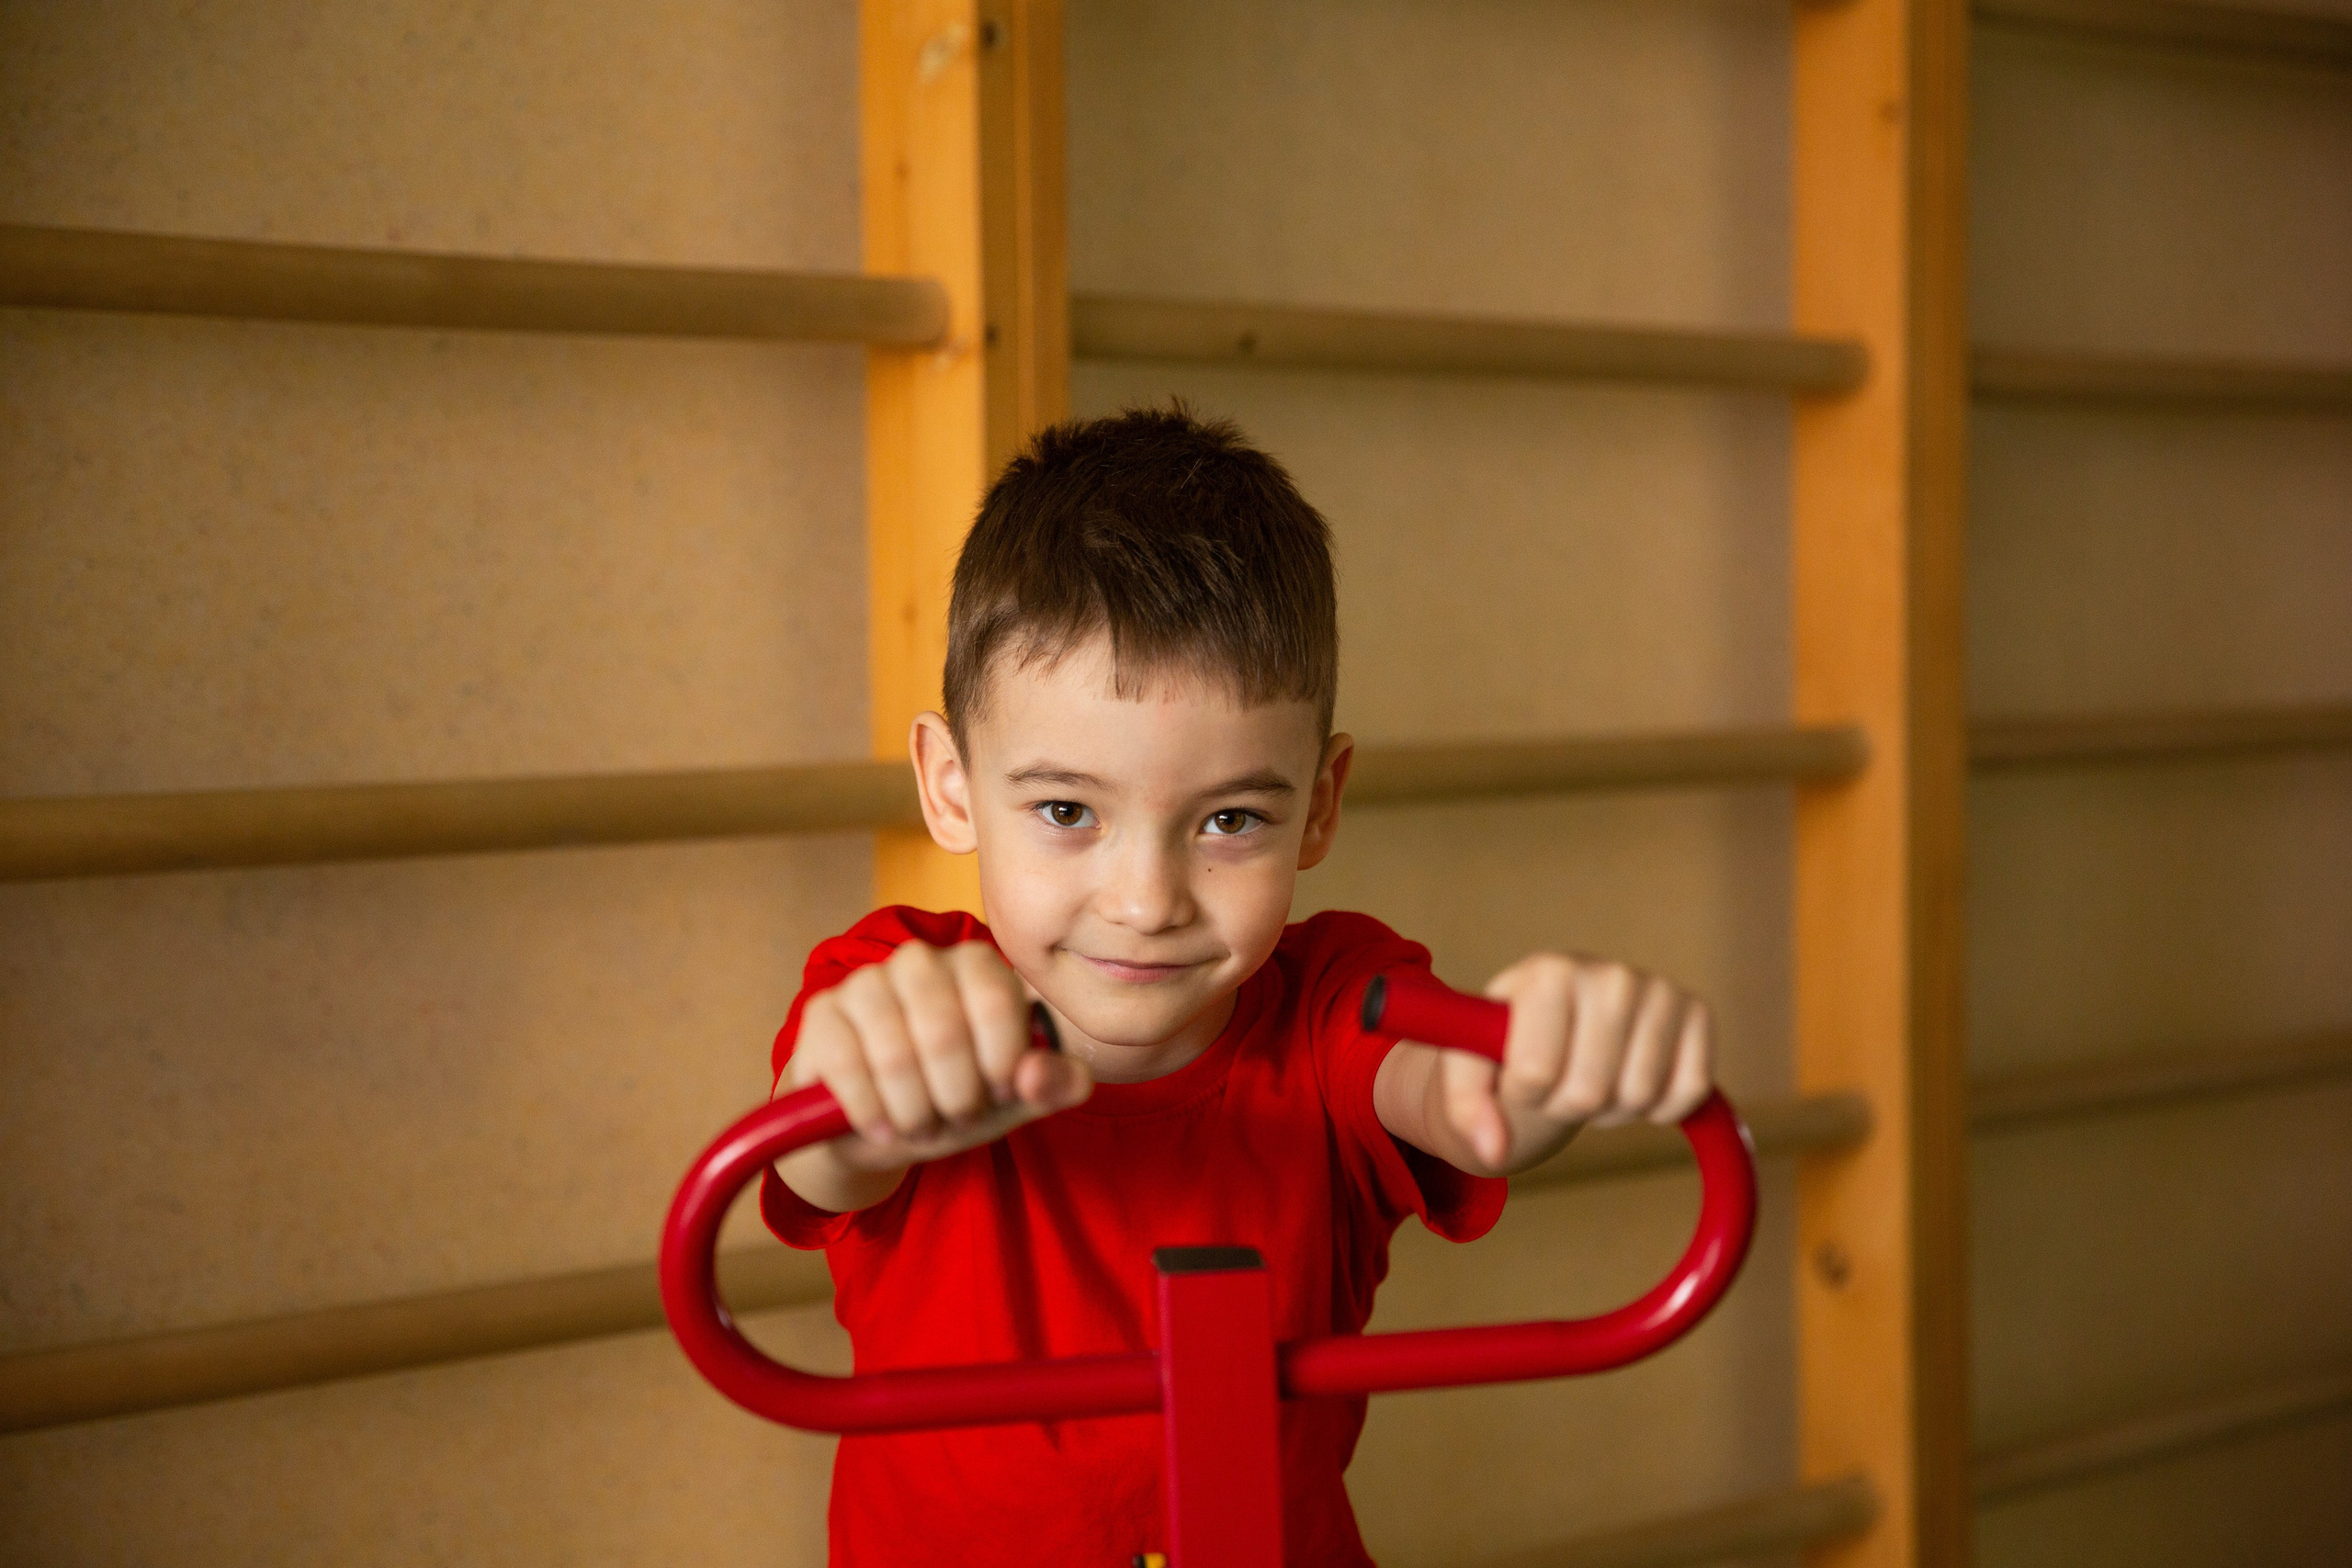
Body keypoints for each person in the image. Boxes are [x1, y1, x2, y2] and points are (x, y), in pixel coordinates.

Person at [762, 405, 1716, 1567]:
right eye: (1067, 811)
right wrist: (874, 1076)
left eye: (1228, 820)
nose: (1147, 898)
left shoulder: (1332, 1008)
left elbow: (1467, 1102)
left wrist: (1558, 1055)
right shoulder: (898, 987)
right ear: (951, 785)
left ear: (1317, 804)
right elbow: (819, 1150)